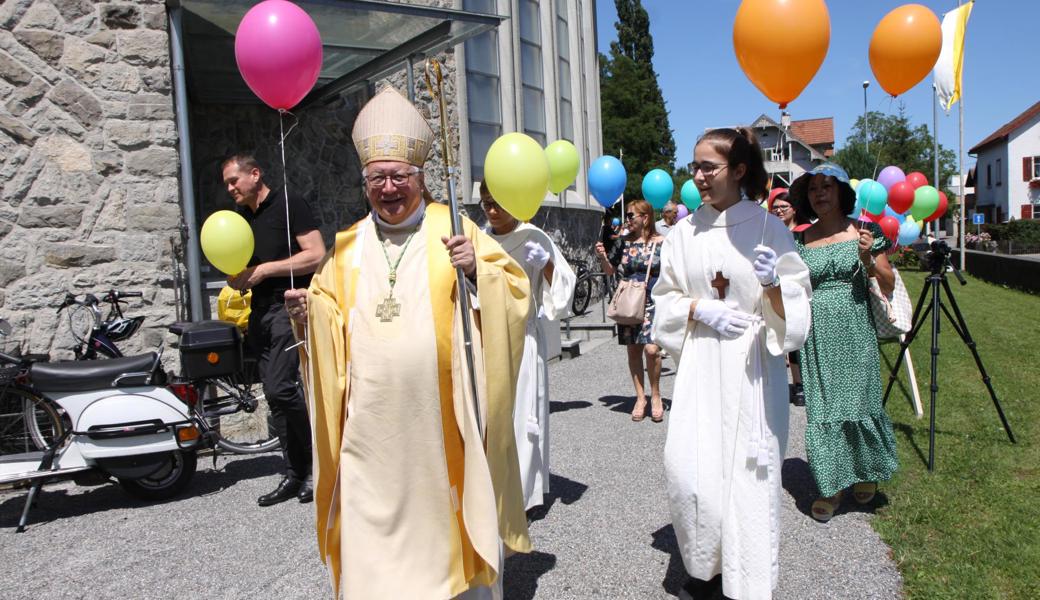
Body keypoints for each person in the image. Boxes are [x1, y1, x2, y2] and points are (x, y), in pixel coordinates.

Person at [283, 87, 531, 599]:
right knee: (373, 546)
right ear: (365, 182)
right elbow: (328, 311)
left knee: (446, 525)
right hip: (370, 432)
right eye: (378, 177)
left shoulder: (454, 228)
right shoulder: (347, 245)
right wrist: (309, 315)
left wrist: (477, 273)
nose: (389, 187)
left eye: (400, 176)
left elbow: (513, 290)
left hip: (441, 425)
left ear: (421, 179)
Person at [650, 128, 812, 600]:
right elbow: (663, 301)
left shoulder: (768, 228)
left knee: (748, 477)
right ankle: (706, 569)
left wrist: (774, 285)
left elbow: (797, 309)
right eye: (695, 166)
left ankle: (748, 581)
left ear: (739, 171)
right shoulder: (683, 233)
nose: (698, 176)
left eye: (709, 167)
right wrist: (699, 310)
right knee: (690, 470)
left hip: (752, 368)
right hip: (702, 363)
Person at [788, 163, 900, 523]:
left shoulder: (865, 232)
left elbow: (888, 284)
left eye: (826, 187)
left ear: (841, 193)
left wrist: (867, 258)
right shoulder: (800, 240)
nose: (819, 194)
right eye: (812, 189)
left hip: (855, 326)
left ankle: (866, 471)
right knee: (823, 405)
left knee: (860, 397)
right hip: (817, 329)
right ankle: (832, 484)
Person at [222, 153, 324, 507]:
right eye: (227, 185)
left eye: (234, 181)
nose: (231, 189)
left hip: (290, 307)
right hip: (259, 313)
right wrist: (237, 277)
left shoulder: (288, 202)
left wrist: (265, 270)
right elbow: (242, 266)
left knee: (282, 389)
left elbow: (316, 254)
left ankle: (316, 468)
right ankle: (294, 472)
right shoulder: (240, 220)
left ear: (255, 173)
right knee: (274, 397)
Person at [480, 181, 576, 512]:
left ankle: (519, 496)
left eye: (498, 203)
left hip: (521, 334)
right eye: (486, 203)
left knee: (522, 415)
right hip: (487, 335)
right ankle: (490, 489)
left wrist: (546, 262)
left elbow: (563, 290)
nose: (491, 211)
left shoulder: (534, 236)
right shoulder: (482, 238)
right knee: (490, 414)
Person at [595, 199, 665, 422]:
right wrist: (602, 257)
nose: (627, 220)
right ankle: (640, 397)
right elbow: (609, 270)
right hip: (629, 302)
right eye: (627, 216)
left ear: (645, 218)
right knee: (633, 350)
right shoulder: (623, 243)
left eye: (631, 215)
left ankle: (655, 395)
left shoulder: (662, 242)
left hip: (654, 301)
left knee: (652, 350)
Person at [768, 187, 806, 405]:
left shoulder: (804, 231)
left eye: (784, 206)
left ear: (794, 208)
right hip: (774, 288)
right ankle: (795, 382)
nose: (779, 211)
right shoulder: (769, 232)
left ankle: (802, 383)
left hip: (797, 287)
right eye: (775, 207)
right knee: (782, 333)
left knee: (799, 335)